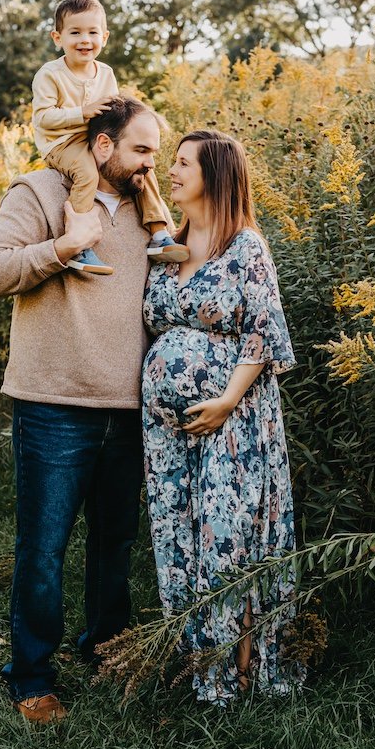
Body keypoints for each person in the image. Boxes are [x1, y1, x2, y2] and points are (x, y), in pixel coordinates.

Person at [0, 97, 171, 724]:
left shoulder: (151, 210)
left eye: (157, 154)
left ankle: (108, 650)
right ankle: (32, 675)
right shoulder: (39, 191)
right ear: (104, 146)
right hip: (55, 401)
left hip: (131, 403)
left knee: (114, 542)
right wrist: (65, 246)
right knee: (43, 547)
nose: (151, 165)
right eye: (141, 151)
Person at [141, 130, 304, 705]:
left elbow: (265, 332)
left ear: (216, 174)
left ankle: (242, 670)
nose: (172, 170)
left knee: (228, 535)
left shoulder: (246, 247)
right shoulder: (173, 244)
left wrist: (228, 399)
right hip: (166, 431)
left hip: (233, 422)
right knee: (179, 532)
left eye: (184, 163)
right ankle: (200, 664)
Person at [32, 0, 187, 273]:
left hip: (96, 138)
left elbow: (117, 111)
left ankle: (159, 232)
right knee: (87, 173)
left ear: (104, 37)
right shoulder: (50, 74)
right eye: (75, 32)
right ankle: (79, 244)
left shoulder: (105, 73)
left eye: (92, 32)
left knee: (139, 165)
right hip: (62, 143)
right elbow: (43, 118)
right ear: (58, 37)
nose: (85, 40)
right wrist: (82, 112)